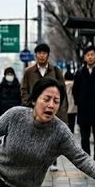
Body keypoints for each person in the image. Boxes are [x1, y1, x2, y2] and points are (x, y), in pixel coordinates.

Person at [21, 43, 67, 171]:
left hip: (50, 109)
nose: (41, 56)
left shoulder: (55, 71)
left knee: (51, 134)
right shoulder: (29, 72)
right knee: (33, 134)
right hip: (34, 109)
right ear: (35, 55)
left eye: (44, 53)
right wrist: (28, 103)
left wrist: (59, 107)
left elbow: (61, 90)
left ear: (48, 55)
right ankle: (34, 159)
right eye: (39, 53)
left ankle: (52, 161)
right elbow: (24, 89)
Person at [64, 69, 77, 134]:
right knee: (72, 124)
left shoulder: (63, 85)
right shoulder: (74, 84)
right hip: (73, 107)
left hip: (65, 107)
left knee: (65, 124)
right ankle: (71, 134)